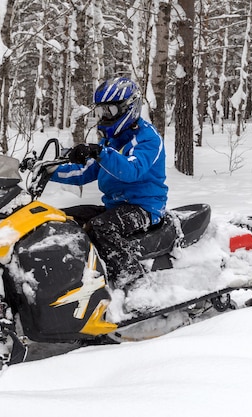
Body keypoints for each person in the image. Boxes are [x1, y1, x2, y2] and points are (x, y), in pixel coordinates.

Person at [51, 77, 168, 290]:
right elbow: (85, 171)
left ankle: (132, 281)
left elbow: (131, 170)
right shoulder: (112, 140)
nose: (104, 117)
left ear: (128, 108)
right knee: (60, 218)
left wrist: (100, 152)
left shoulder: (148, 139)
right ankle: (71, 281)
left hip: (145, 207)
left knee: (101, 226)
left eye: (110, 111)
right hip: (115, 206)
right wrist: (48, 170)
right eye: (101, 111)